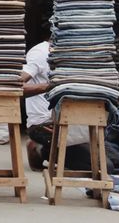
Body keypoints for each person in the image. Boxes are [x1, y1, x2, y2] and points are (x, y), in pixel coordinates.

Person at [22, 37, 92, 171]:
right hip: (45, 124)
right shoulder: (40, 52)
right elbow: (17, 85)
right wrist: (53, 86)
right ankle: (42, 150)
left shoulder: (76, 53)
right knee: (103, 166)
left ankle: (51, 150)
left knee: (117, 161)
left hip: (73, 123)